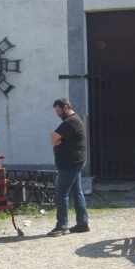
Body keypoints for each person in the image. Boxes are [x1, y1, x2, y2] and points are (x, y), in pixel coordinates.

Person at [48, 98, 90, 236]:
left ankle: (62, 226)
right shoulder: (76, 120)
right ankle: (82, 223)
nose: (58, 115)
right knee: (77, 192)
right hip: (75, 161)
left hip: (70, 163)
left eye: (59, 111)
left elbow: (53, 138)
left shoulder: (70, 122)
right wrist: (58, 141)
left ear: (66, 107)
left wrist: (57, 142)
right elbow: (56, 139)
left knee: (61, 193)